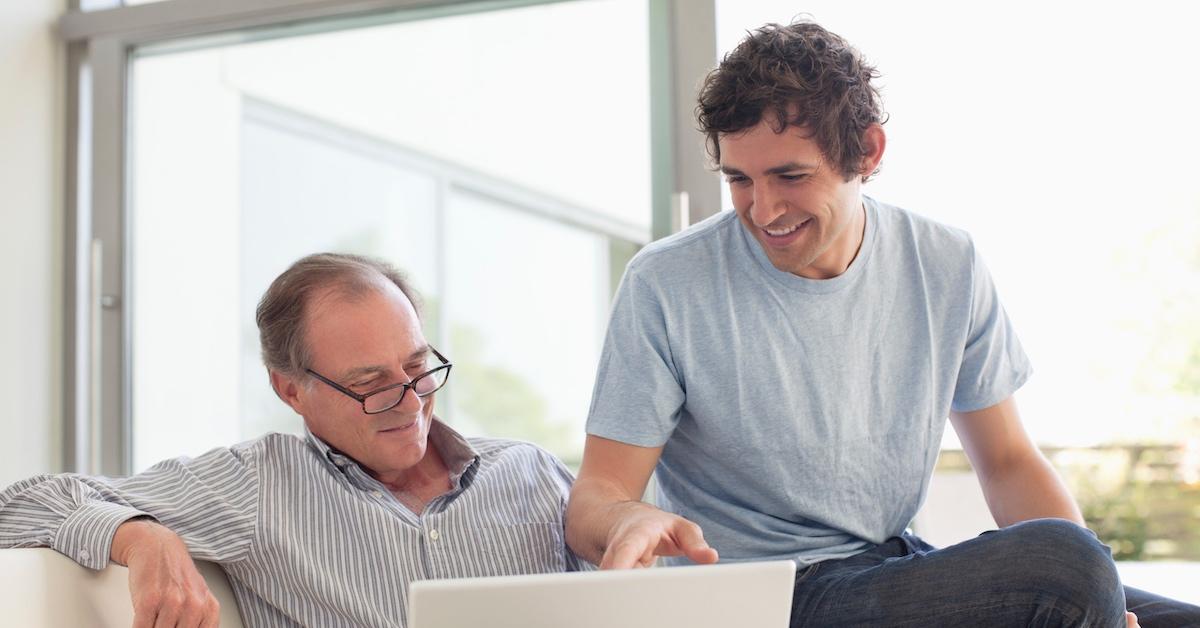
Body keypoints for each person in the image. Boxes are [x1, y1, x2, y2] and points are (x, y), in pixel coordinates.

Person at [564, 20, 1200, 628]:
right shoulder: (666, 282)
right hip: (765, 595)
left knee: (1103, 581)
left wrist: (1102, 600)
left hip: (891, 566)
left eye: (790, 175)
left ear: (866, 151)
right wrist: (623, 520)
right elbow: (597, 494)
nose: (763, 209)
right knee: (1067, 570)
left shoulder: (948, 263)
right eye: (739, 179)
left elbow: (1007, 462)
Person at [0, 252, 584, 627]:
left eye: (416, 366)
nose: (409, 401)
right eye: (369, 384)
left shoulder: (530, 472)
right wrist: (139, 535)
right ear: (291, 391)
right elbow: (20, 504)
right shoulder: (257, 486)